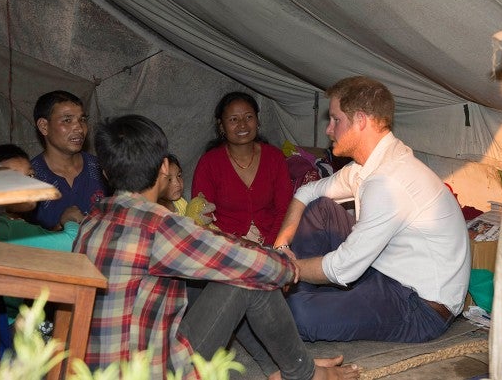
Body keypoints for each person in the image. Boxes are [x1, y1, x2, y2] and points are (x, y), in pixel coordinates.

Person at [73, 114, 358, 380]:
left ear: (106, 173)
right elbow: (249, 263)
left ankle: (278, 369)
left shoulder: (92, 221)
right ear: (164, 168)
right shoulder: (158, 226)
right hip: (149, 372)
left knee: (221, 273)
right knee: (249, 276)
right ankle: (304, 373)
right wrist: (287, 266)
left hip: (95, 371)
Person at [273, 76, 471, 343]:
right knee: (320, 208)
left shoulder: (389, 181)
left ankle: (298, 295)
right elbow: (306, 193)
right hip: (383, 272)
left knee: (299, 315)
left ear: (360, 120)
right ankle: (300, 292)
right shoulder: (367, 167)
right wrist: (282, 247)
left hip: (422, 306)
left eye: (336, 120)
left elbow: (343, 269)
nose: (329, 129)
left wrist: (287, 268)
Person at [192, 92, 292, 247]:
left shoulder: (274, 157)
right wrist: (237, 243)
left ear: (257, 121)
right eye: (233, 119)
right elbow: (201, 216)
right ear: (221, 126)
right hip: (225, 244)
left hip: (274, 241)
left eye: (249, 117)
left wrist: (271, 246)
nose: (243, 125)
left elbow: (285, 210)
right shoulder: (209, 163)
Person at [31, 90, 108, 230]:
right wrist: (61, 226)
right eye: (67, 120)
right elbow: (21, 238)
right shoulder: (30, 178)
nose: (79, 128)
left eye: (82, 120)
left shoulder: (102, 169)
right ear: (44, 126)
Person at [0, 144, 82, 252]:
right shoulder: (6, 227)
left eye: (30, 175)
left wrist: (52, 234)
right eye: (14, 179)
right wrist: (70, 219)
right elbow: (74, 243)